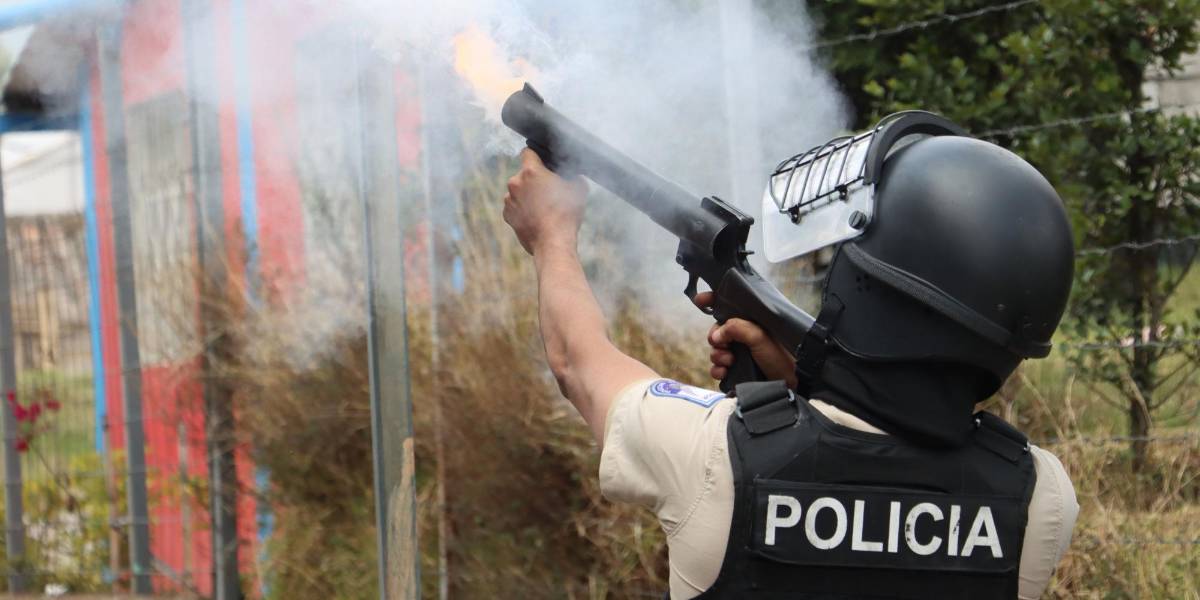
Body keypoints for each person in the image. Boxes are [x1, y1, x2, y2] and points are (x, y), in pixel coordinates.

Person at [501, 114, 1078, 599]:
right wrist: (806, 381)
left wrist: (550, 232)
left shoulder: (715, 456)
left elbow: (578, 362)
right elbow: (885, 470)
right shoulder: (1038, 499)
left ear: (866, 288)